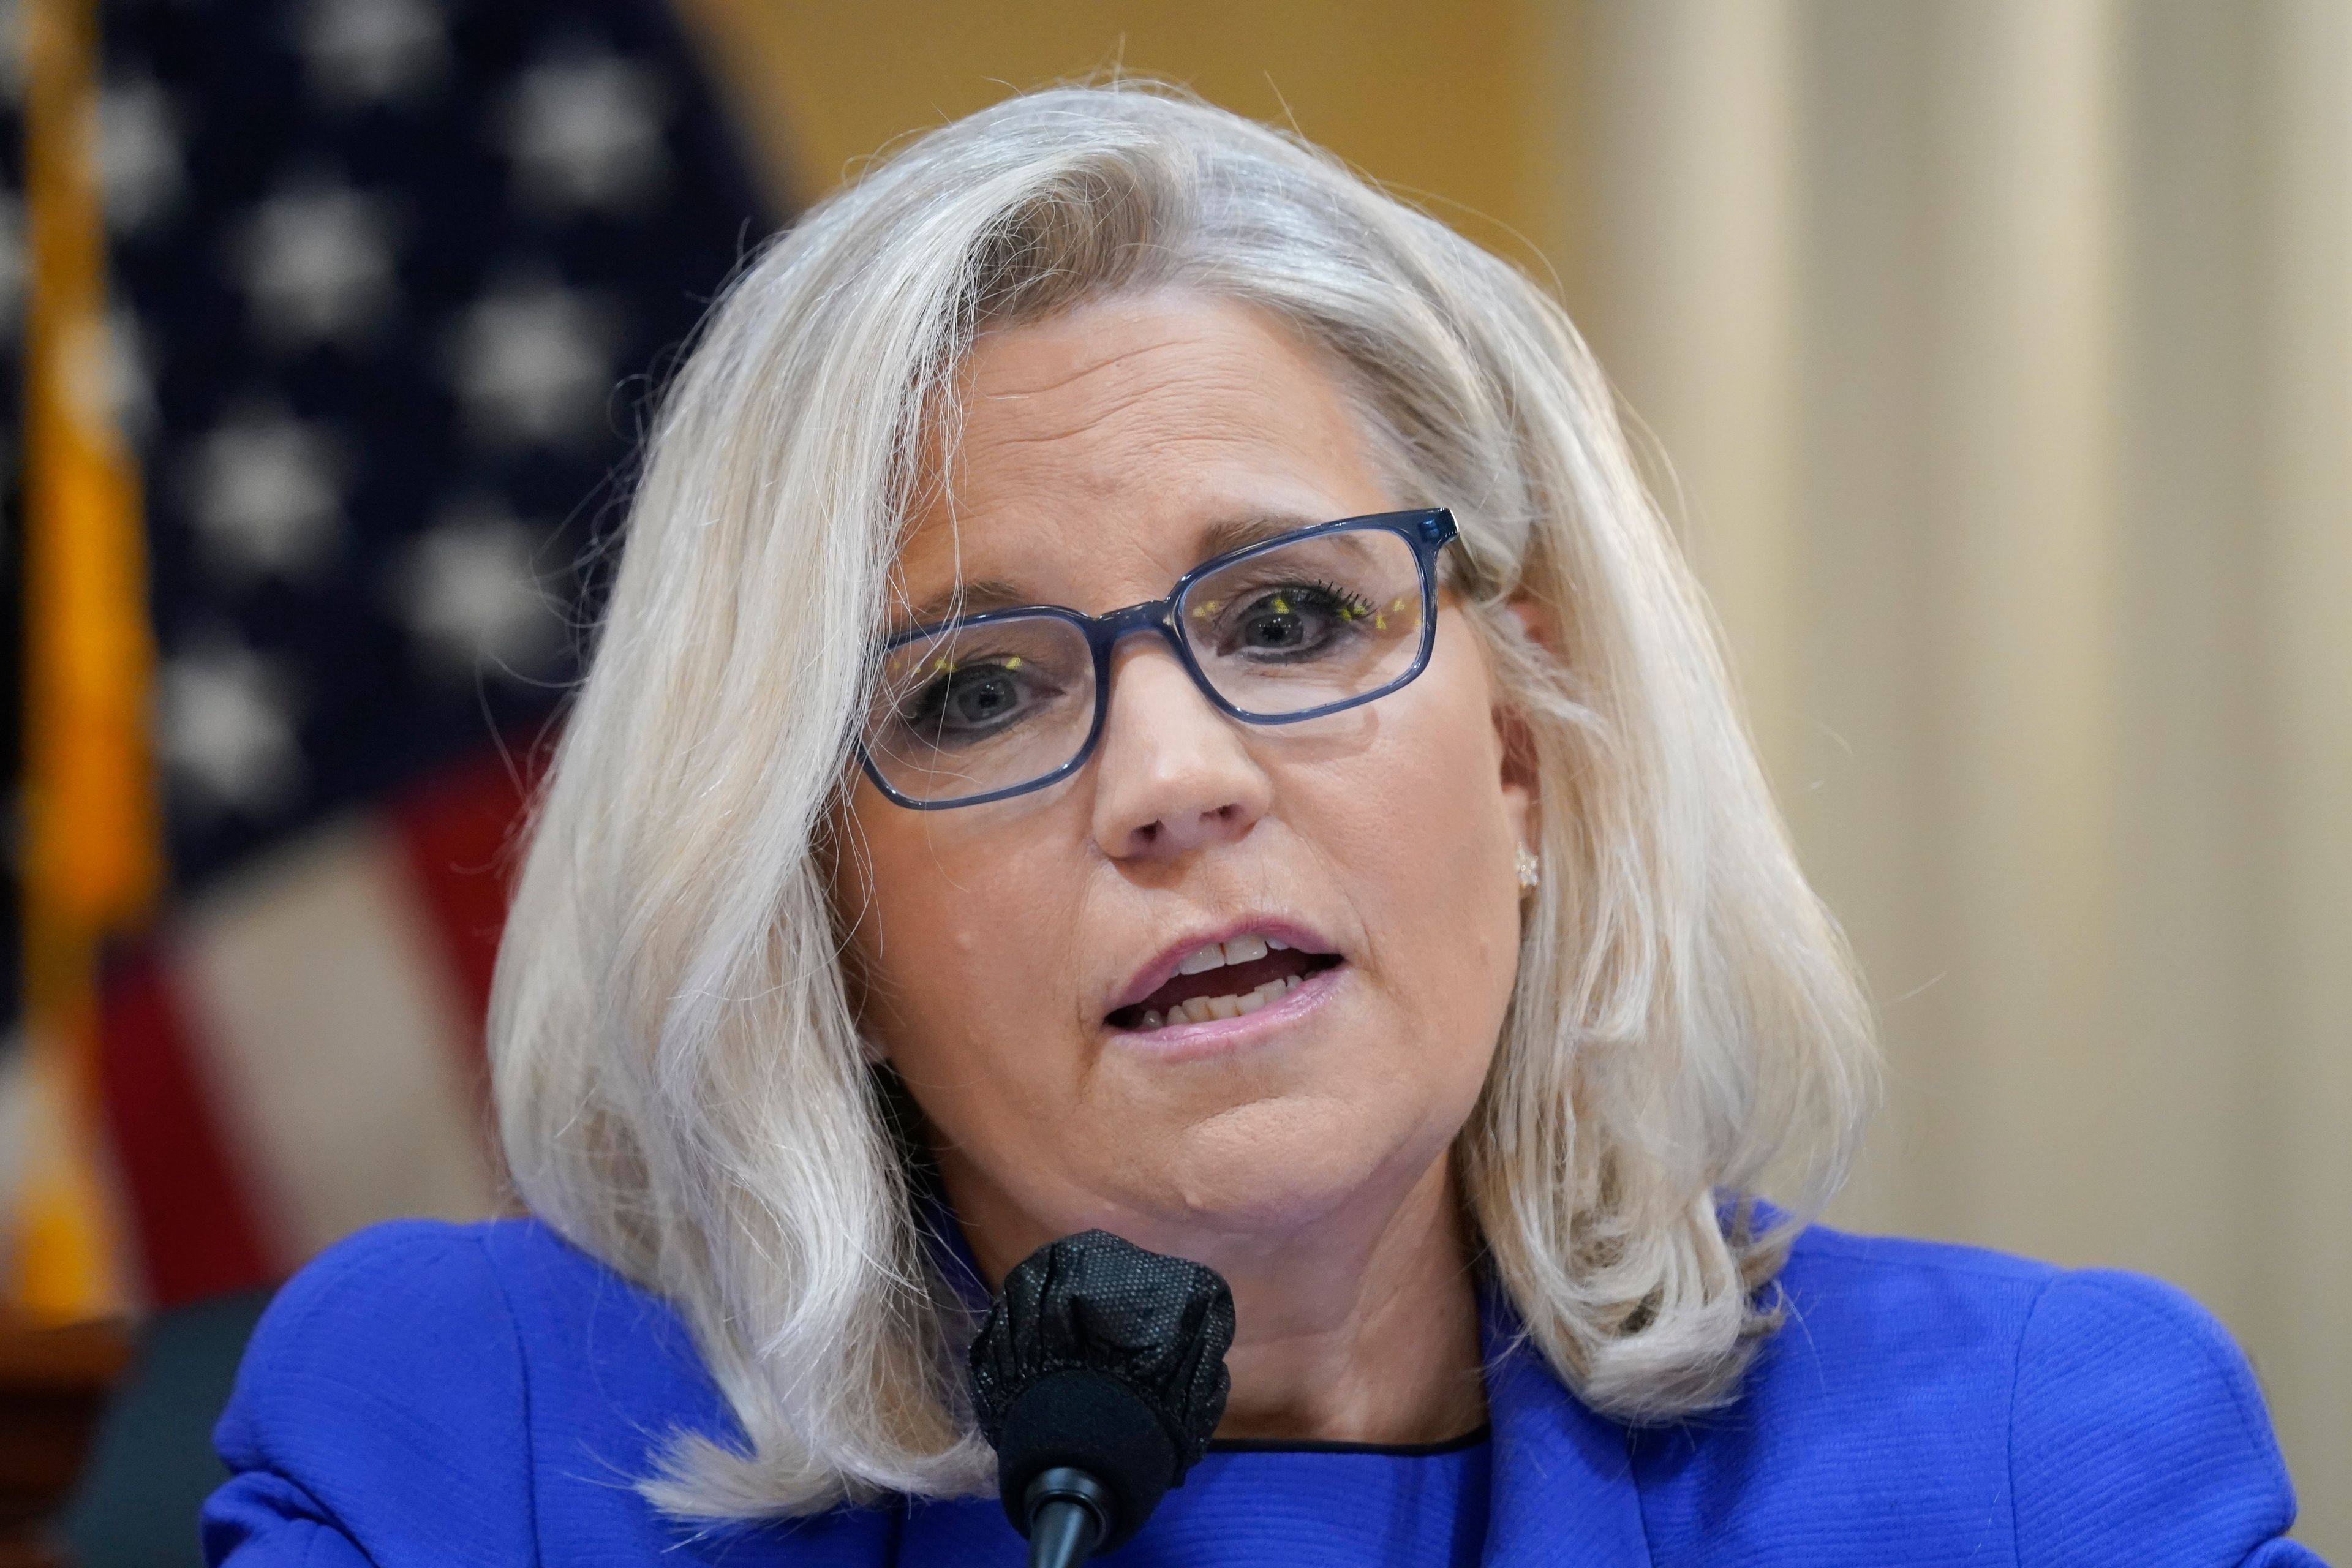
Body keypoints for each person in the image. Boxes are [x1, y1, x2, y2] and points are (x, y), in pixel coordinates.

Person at [201, 86, 2316, 1565]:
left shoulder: (2039, 1469)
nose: (1176, 778)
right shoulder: (470, 1453)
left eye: (1293, 617)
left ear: (1526, 755)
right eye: (970, 687)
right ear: (809, 904)